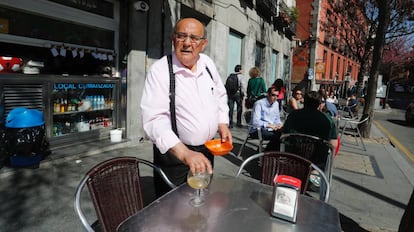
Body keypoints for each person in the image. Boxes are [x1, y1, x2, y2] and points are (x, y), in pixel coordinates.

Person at [141, 18, 232, 197]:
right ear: (173, 39)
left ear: (203, 44)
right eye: (181, 36)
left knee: (200, 199)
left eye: (194, 38)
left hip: (206, 150)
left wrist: (222, 123)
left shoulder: (207, 64)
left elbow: (220, 95)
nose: (187, 43)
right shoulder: (160, 71)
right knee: (172, 209)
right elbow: (154, 119)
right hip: (175, 154)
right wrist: (184, 154)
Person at [283, 91, 338, 167]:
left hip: (291, 158)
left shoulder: (293, 115)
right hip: (316, 163)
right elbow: (333, 144)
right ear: (319, 105)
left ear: (304, 102)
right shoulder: (327, 119)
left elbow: (284, 134)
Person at [249, 86, 283, 152]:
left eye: (277, 95)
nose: (275, 97)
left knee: (283, 136)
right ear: (268, 94)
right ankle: (265, 155)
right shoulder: (259, 103)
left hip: (271, 129)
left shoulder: (276, 104)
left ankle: (267, 154)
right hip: (256, 129)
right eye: (273, 95)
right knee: (275, 138)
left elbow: (277, 119)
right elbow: (255, 121)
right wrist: (269, 125)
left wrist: (279, 124)